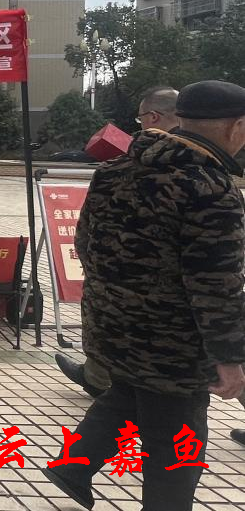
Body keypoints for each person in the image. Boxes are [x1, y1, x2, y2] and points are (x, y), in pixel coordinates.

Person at [41, 81, 245, 511]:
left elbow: (84, 246)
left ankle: (73, 467)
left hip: (111, 325)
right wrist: (230, 358)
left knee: (128, 395)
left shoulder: (114, 170)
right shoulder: (210, 188)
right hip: (173, 345)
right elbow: (216, 284)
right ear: (236, 126)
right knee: (177, 447)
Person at [55, 85, 181, 395]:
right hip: (184, 308)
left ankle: (99, 381)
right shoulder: (209, 173)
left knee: (139, 391)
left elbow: (86, 237)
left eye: (140, 118)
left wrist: (100, 279)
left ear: (153, 117)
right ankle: (98, 380)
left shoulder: (113, 171)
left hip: (132, 303)